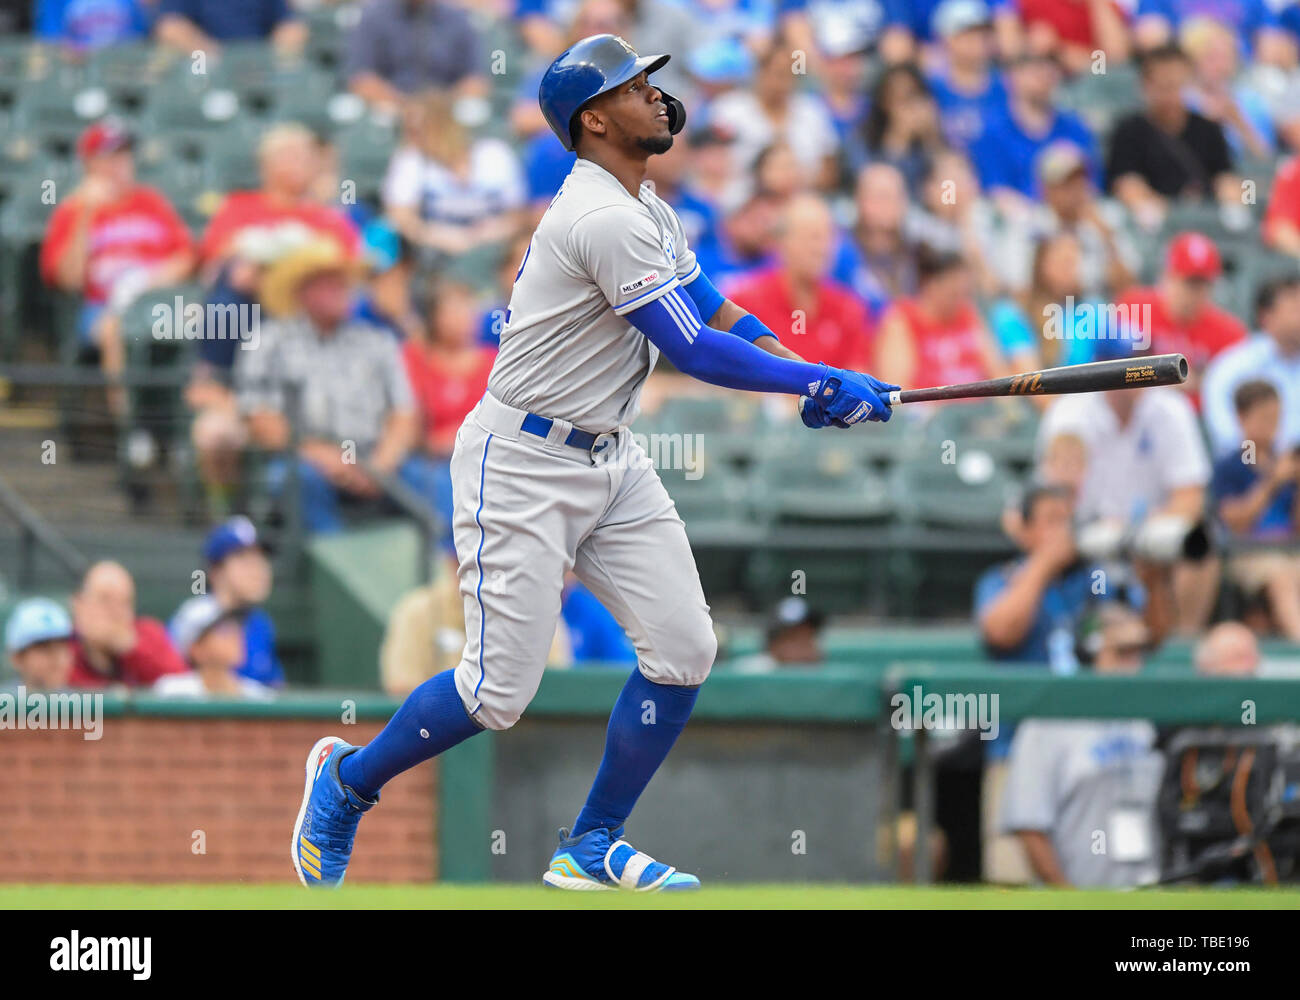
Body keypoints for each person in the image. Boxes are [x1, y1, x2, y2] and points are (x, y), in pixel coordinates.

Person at [290, 33, 897, 893]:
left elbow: (713, 309)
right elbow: (692, 352)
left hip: (609, 455)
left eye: (650, 80)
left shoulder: (645, 203)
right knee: (497, 693)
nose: (654, 93)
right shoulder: (600, 214)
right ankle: (348, 781)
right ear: (593, 119)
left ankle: (592, 840)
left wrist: (801, 374)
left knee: (686, 648)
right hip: (523, 461)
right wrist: (819, 377)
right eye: (633, 85)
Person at [236, 240, 433, 535]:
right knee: (296, 480)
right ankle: (336, 569)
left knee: (435, 480)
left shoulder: (377, 341)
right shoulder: (269, 342)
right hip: (305, 461)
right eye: (328, 282)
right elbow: (261, 419)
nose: (341, 289)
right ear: (302, 292)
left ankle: (449, 569)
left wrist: (381, 463)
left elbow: (404, 413)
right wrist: (326, 457)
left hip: (377, 458)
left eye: (343, 282)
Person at [1037, 338, 1217, 633]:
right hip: (1082, 532)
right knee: (1051, 539)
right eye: (1128, 363)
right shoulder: (1070, 411)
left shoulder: (1171, 409)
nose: (1137, 372)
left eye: (1141, 361)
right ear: (1102, 366)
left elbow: (1190, 498)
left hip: (1148, 531)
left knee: (1199, 544)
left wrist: (1138, 528)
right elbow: (1051, 497)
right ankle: (1062, 638)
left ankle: (1179, 645)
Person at [999, 603, 1165, 888]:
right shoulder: (1048, 723)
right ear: (1089, 655)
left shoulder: (1146, 719)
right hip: (1077, 892)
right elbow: (1030, 826)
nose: (1133, 665)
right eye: (1122, 653)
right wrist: (1069, 900)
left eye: (1137, 653)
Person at [39, 119, 195, 419]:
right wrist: (85, 213)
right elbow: (69, 280)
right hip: (101, 308)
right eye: (110, 157)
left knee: (217, 323)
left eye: (125, 155)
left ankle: (183, 427)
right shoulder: (71, 212)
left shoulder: (152, 202)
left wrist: (146, 280)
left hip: (156, 301)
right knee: (115, 330)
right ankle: (130, 429)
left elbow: (187, 259)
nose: (120, 165)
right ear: (90, 164)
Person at [725, 193, 872, 370]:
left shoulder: (849, 309)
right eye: (811, 237)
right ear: (782, 242)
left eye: (828, 237)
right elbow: (728, 374)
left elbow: (859, 380)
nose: (821, 248)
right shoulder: (744, 303)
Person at [383, 90, 526, 265]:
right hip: (435, 256)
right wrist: (437, 235)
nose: (413, 138)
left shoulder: (495, 154)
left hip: (494, 250)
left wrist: (493, 231)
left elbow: (518, 216)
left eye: (420, 129)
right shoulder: (411, 160)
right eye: (409, 131)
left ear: (448, 125)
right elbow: (401, 218)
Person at [1106, 44, 1239, 228]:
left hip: (1202, 221)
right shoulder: (1129, 131)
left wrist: (1233, 205)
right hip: (1154, 224)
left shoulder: (1209, 129)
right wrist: (1158, 207)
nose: (1171, 95)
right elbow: (1125, 183)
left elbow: (1225, 177)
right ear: (1146, 86)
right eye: (1163, 87)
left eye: (1178, 85)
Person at [1211, 380, 1300, 640]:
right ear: (1242, 417)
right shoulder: (1230, 466)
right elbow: (1236, 522)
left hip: (1288, 549)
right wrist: (1273, 482)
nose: (1271, 427)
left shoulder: (1285, 460)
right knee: (1281, 578)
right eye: (1264, 418)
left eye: (1275, 418)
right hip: (1247, 553)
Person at [1116, 232, 1247, 402]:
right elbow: (1115, 370)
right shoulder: (1133, 308)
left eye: (1203, 284)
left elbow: (1235, 391)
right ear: (1167, 276)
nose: (1195, 293)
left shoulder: (1230, 333)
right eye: (1189, 282)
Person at [970, 51, 1099, 210]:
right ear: (1011, 78)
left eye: (1049, 70)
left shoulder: (1075, 127)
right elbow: (996, 191)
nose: (1043, 78)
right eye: (1034, 71)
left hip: (1072, 214)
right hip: (1019, 220)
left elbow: (1091, 185)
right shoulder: (992, 132)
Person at [872, 246, 1007, 395]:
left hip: (977, 411)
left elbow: (997, 372)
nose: (960, 299)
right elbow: (897, 388)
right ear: (930, 283)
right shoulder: (901, 319)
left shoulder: (967, 314)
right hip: (930, 411)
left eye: (964, 292)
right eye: (953, 292)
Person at [1203, 275, 1300, 456]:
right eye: (1295, 307)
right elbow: (1227, 438)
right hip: (1249, 473)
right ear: (1266, 316)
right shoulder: (1233, 367)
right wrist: (1267, 464)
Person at [344, 0, 486, 113]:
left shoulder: (457, 18)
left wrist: (441, 107)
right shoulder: (374, 16)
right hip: (391, 110)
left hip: (445, 113)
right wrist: (405, 107)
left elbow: (476, 81)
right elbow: (361, 79)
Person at [68, 561, 188, 689]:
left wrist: (132, 649)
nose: (116, 612)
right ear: (79, 604)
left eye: (125, 602)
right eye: (105, 599)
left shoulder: (148, 635)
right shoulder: (59, 646)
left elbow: (181, 686)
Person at [195, 516, 283, 687]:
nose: (258, 569)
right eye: (244, 559)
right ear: (215, 571)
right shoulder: (194, 619)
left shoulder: (261, 624)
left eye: (261, 559)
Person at [845, 62, 945, 197]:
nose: (906, 107)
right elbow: (870, 187)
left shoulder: (932, 140)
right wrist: (899, 139)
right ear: (883, 101)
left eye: (911, 96)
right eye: (897, 97)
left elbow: (947, 192)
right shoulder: (861, 139)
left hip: (925, 214)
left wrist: (932, 139)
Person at [157, 596, 272, 699]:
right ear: (196, 649)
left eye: (237, 628)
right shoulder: (173, 692)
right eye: (224, 630)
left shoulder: (259, 695)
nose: (235, 637)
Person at [154, 0, 305, 55]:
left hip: (257, 67)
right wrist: (213, 55)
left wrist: (273, 57)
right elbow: (170, 26)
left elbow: (290, 25)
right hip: (203, 66)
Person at [731, 596, 826, 673]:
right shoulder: (748, 673)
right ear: (774, 643)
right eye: (794, 638)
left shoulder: (821, 674)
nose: (805, 647)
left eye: (809, 637)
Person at [3, 598, 75, 692]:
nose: (58, 659)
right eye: (45, 649)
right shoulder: (4, 702)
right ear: (17, 658)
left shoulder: (83, 703)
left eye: (63, 647)